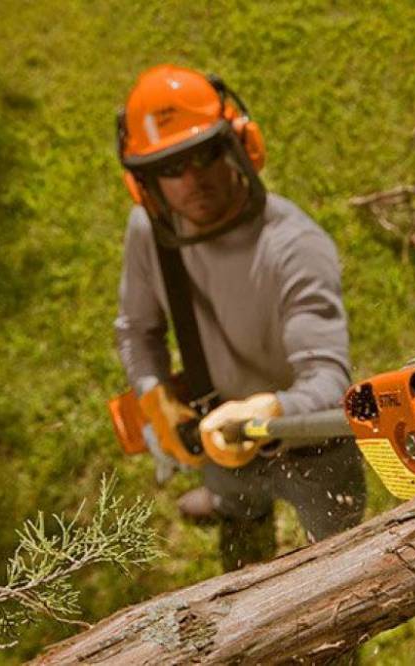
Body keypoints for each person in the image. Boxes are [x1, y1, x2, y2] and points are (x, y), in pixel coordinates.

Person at [113, 64, 366, 571]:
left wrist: (267, 413)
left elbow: (328, 380)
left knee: (339, 560)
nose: (191, 181)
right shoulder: (150, 231)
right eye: (169, 167)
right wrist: (154, 395)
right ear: (142, 182)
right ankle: (233, 508)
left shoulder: (295, 246)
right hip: (217, 429)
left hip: (312, 441)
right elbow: (137, 330)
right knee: (235, 501)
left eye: (203, 155)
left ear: (240, 143)